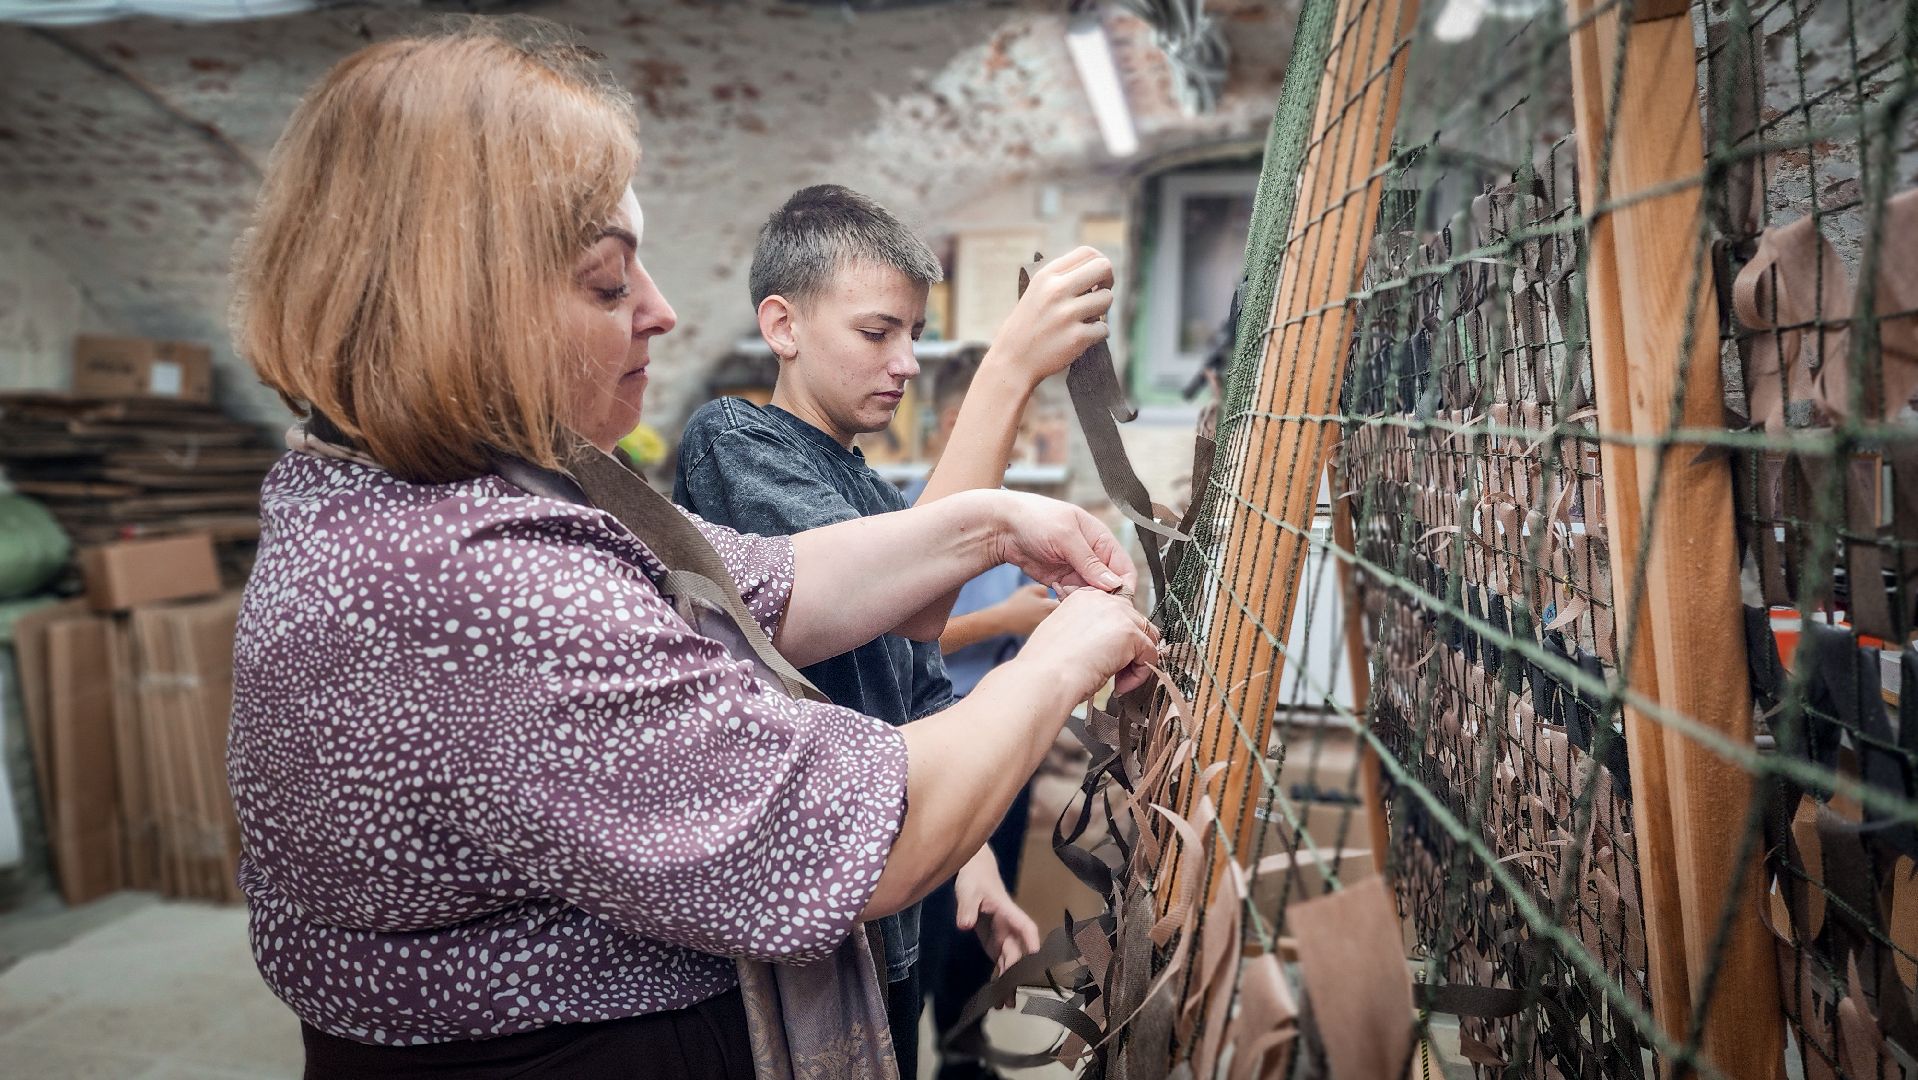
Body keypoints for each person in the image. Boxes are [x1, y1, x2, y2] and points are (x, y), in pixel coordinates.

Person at [225, 22, 1157, 1079]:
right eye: (606, 285)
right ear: (457, 306)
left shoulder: (458, 491)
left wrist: (991, 523)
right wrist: (1066, 649)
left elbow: (774, 582)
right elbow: (868, 836)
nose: (661, 313)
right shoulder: (479, 580)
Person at [673, 184, 1114, 1076]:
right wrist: (1007, 368)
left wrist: (972, 863)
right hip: (805, 901)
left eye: (913, 334)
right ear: (783, 326)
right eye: (879, 333)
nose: (906, 360)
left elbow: (919, 684)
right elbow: (918, 592)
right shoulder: (735, 443)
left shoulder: (866, 491)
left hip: (893, 908)